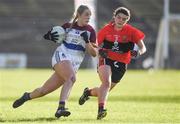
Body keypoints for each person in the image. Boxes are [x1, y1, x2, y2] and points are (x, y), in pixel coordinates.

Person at [12, 5, 97, 118]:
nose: (89, 17)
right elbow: (55, 35)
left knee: (43, 91)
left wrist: (86, 41)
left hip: (73, 65)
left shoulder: (90, 31)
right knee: (71, 78)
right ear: (79, 15)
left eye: (90, 15)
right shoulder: (67, 27)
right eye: (86, 14)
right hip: (61, 56)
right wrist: (49, 36)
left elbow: (94, 53)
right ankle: (61, 108)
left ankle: (27, 96)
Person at [79, 7, 146, 120]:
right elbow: (95, 45)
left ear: (127, 20)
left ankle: (88, 92)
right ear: (114, 17)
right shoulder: (105, 30)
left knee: (104, 90)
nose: (120, 20)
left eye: (124, 19)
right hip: (106, 59)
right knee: (106, 83)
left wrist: (138, 52)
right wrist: (100, 51)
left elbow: (143, 47)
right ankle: (101, 109)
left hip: (121, 63)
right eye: (118, 17)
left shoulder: (132, 31)